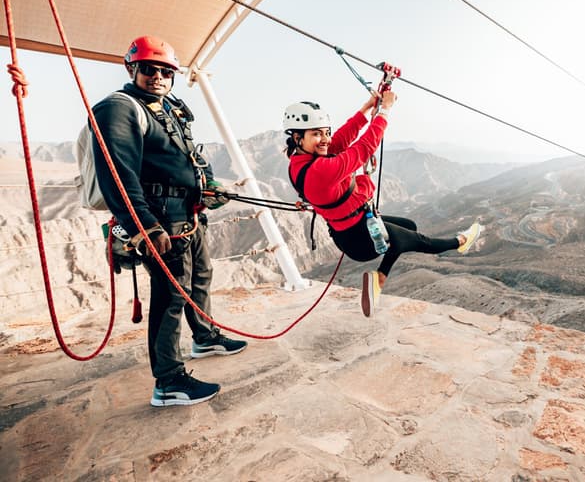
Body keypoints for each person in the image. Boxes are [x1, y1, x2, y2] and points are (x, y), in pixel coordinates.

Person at [91, 35, 247, 407]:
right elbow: (118, 173)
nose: (158, 76)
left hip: (187, 213)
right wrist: (144, 225)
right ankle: (168, 380)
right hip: (160, 219)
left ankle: (205, 336)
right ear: (132, 69)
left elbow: (189, 156)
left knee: (200, 277)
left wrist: (208, 187)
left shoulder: (169, 109)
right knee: (171, 293)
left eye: (165, 71)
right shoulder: (120, 108)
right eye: (149, 69)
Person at [283, 89, 481, 317]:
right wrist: (385, 110)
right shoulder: (321, 170)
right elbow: (364, 147)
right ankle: (461, 242)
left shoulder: (300, 161)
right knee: (420, 241)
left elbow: (341, 140)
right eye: (316, 134)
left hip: (351, 230)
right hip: (361, 237)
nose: (325, 139)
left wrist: (368, 107)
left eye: (326, 132)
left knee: (409, 225)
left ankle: (380, 278)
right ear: (298, 138)